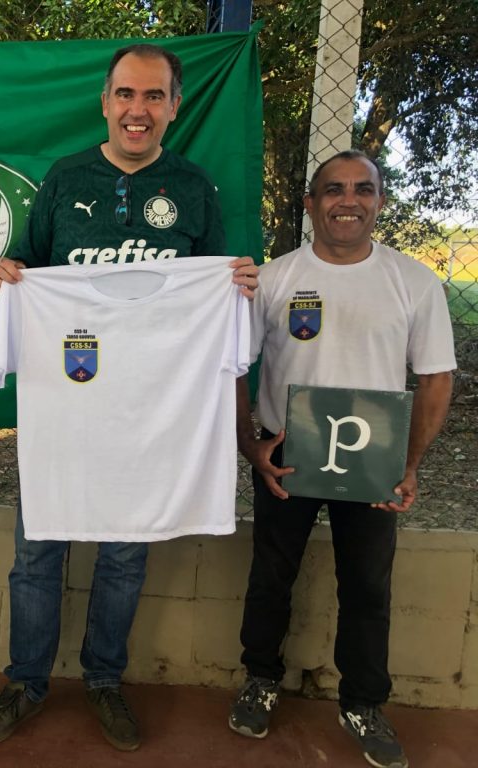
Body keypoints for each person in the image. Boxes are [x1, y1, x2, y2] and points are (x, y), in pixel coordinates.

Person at [0, 44, 258, 751]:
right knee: (39, 547)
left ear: (174, 106)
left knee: (126, 555)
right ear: (105, 103)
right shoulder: (65, 178)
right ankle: (24, 682)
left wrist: (235, 288)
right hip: (64, 408)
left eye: (154, 96)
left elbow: (212, 292)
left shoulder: (193, 188)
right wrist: (7, 276)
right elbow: (30, 272)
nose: (139, 109)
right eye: (126, 94)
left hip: (153, 417)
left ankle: (105, 679)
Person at [227, 151, 455, 768]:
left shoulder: (413, 281)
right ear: (310, 204)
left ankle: (363, 702)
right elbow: (233, 369)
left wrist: (406, 464)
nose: (347, 201)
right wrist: (252, 444)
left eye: (362, 189)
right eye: (332, 190)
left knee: (367, 586)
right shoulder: (272, 280)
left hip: (372, 461)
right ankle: (260, 679)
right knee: (271, 575)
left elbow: (435, 378)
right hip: (289, 452)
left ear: (380, 200)